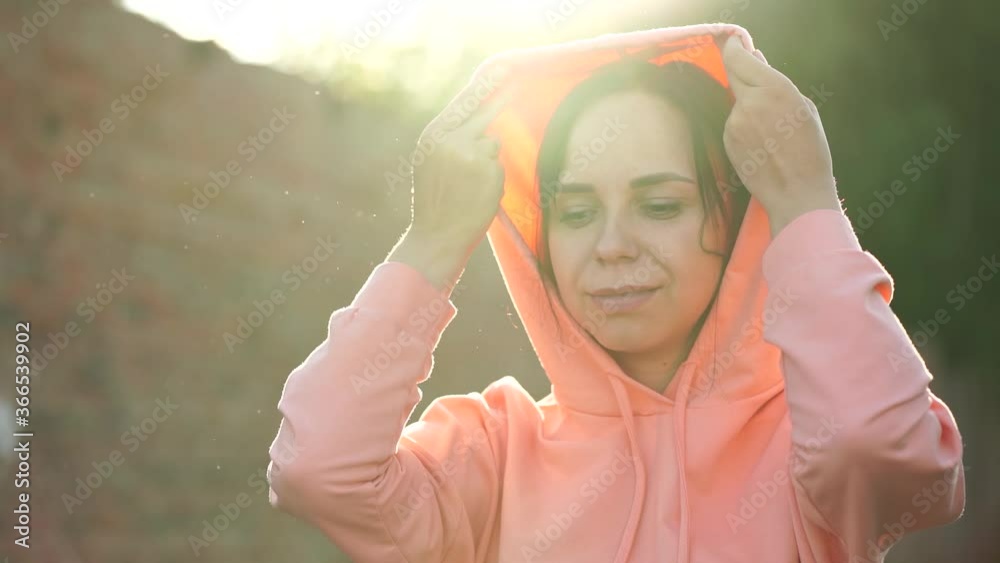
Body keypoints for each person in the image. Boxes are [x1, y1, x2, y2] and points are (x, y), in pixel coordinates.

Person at [266, 25, 965, 563]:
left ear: (738, 216)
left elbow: (880, 448)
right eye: (574, 212)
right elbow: (318, 469)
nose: (610, 246)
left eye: (660, 205)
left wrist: (808, 203)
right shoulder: (497, 452)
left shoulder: (805, 443)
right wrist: (434, 239)